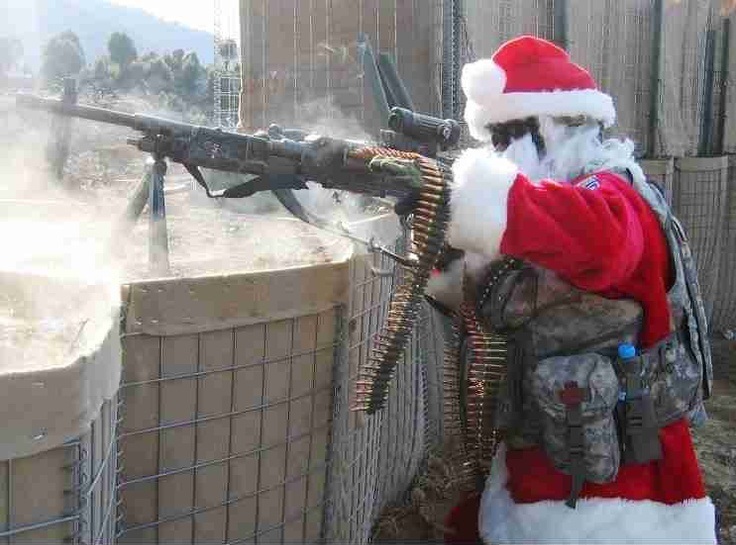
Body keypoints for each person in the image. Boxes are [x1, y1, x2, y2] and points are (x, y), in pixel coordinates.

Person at [431, 35, 717, 544]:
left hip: (617, 497)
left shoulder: (611, 196)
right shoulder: (556, 202)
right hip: (550, 455)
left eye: (502, 141)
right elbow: (513, 291)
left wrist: (485, 200)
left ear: (547, 130)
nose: (496, 156)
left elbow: (598, 241)